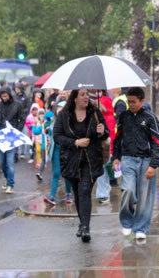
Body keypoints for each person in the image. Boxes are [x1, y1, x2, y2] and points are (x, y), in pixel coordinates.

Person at [53, 89, 108, 243]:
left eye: (87, 95)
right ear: (75, 98)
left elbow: (106, 133)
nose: (86, 97)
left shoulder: (95, 112)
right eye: (82, 95)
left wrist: (102, 131)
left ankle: (85, 227)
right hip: (70, 160)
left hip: (91, 160)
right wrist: (75, 142)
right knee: (78, 193)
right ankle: (82, 222)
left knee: (85, 190)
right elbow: (57, 136)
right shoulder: (64, 115)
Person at [112, 87, 159, 242]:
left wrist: (153, 165)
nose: (131, 104)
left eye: (134, 102)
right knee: (127, 190)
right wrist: (116, 157)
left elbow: (158, 143)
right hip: (127, 159)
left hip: (146, 161)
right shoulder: (124, 117)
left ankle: (141, 228)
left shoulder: (150, 118)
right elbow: (117, 138)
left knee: (144, 197)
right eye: (129, 102)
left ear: (142, 101)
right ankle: (127, 221)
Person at [43, 102, 73, 205]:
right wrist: (48, 138)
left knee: (67, 173)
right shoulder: (51, 121)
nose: (59, 111)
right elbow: (47, 132)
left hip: (67, 150)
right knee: (56, 173)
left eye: (62, 109)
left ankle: (69, 194)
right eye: (58, 109)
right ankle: (52, 196)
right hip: (55, 149)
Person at [0, 86, 25, 193]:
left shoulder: (17, 104)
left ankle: (10, 184)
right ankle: (6, 178)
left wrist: (17, 131)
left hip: (12, 136)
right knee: (1, 162)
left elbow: (22, 118)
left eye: (5, 95)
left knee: (10, 162)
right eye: (2, 96)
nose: (3, 98)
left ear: (9, 94)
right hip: (0, 137)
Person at [95, 90, 116, 204]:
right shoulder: (105, 118)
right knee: (103, 169)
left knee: (103, 168)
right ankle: (103, 193)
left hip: (105, 146)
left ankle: (104, 194)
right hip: (102, 145)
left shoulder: (107, 119)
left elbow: (110, 134)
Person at [32, 108, 47, 174]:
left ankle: (43, 162)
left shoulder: (46, 121)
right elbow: (35, 131)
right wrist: (34, 124)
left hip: (44, 140)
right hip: (38, 139)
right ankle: (38, 162)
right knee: (38, 150)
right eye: (40, 114)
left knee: (44, 152)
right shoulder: (36, 121)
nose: (41, 115)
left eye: (42, 114)